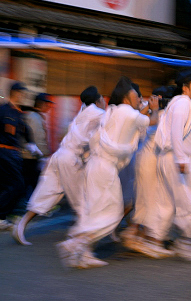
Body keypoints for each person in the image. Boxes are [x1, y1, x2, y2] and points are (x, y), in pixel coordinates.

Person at [56, 77, 159, 269]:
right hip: (105, 169)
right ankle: (76, 243)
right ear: (128, 97)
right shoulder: (129, 113)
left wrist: (144, 109)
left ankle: (84, 253)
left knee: (94, 210)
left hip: (94, 166)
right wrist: (155, 106)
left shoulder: (113, 111)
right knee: (111, 214)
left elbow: (136, 119)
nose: (140, 98)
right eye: (137, 95)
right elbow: (151, 120)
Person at [13, 87, 106, 246]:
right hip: (69, 159)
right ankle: (80, 240)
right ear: (97, 100)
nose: (104, 101)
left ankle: (20, 225)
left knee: (46, 193)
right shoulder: (98, 112)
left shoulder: (82, 113)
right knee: (81, 199)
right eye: (102, 98)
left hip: (59, 156)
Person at [153, 69, 191, 261]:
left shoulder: (180, 103)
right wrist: (181, 159)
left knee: (180, 202)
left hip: (172, 157)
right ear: (185, 88)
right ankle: (189, 244)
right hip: (177, 158)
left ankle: (176, 241)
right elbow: (176, 132)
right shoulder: (183, 103)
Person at [121, 86, 175, 258]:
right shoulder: (161, 115)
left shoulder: (153, 113)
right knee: (150, 200)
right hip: (150, 160)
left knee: (145, 199)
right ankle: (143, 236)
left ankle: (137, 234)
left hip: (143, 157)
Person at [0, 82, 39, 231]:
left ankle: (4, 216)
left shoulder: (18, 113)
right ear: (15, 93)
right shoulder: (3, 110)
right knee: (16, 184)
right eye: (22, 93)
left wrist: (31, 144)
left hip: (13, 152)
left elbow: (25, 130)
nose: (24, 96)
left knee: (7, 185)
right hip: (5, 152)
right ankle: (2, 215)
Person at [22, 93, 54, 197]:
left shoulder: (32, 116)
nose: (49, 107)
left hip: (29, 155)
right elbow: (38, 138)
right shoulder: (35, 118)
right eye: (48, 104)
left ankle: (32, 206)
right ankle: (32, 206)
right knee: (32, 182)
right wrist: (44, 154)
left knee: (30, 182)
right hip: (30, 156)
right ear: (42, 104)